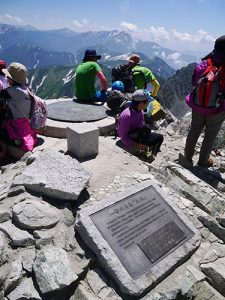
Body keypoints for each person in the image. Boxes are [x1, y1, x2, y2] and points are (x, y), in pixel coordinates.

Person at [184, 35, 225, 168]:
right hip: (217, 109)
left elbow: (193, 82)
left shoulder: (203, 64)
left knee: (194, 129)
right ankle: (203, 161)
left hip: (197, 105)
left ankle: (187, 157)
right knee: (210, 135)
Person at [0, 62, 37, 157]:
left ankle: (16, 141)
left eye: (8, 76)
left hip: (16, 124)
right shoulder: (25, 88)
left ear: (13, 79)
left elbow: (1, 94)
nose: (6, 78)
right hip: (25, 122)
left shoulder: (14, 91)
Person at [117, 89, 164, 162]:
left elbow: (141, 127)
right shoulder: (127, 116)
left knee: (160, 137)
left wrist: (144, 137)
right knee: (147, 128)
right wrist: (137, 145)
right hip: (131, 138)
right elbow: (123, 136)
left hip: (138, 135)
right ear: (141, 103)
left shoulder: (140, 111)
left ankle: (152, 155)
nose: (148, 103)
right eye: (147, 102)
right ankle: (144, 153)